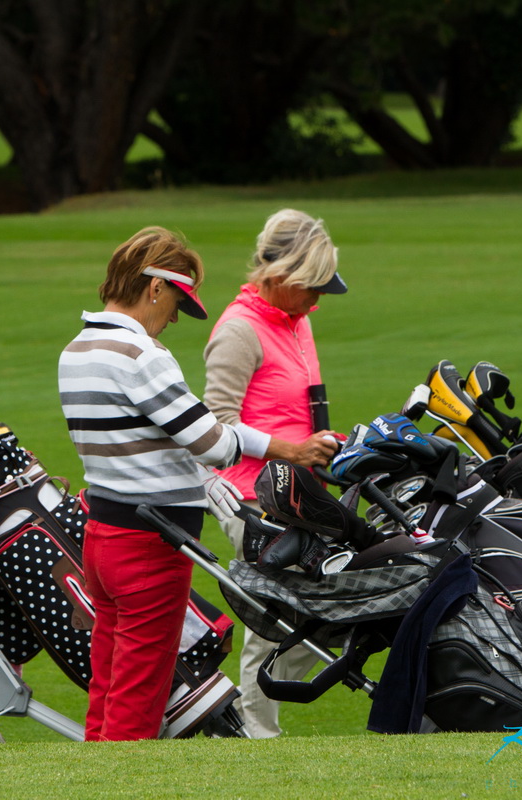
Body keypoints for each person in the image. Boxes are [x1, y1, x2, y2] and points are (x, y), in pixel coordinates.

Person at [58, 226, 255, 742]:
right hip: (151, 542)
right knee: (138, 698)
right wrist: (275, 445)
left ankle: (93, 776)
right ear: (155, 287)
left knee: (107, 684)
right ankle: (121, 781)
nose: (174, 318)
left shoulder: (76, 349)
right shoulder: (142, 354)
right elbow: (213, 443)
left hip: (102, 536)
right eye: (176, 302)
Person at [203, 208, 349, 738]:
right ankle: (257, 735)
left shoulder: (296, 320)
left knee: (334, 600)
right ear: (282, 275)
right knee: (273, 618)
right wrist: (293, 450)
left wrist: (324, 446)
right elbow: (215, 428)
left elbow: (293, 409)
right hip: (249, 496)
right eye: (313, 287)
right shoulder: (239, 331)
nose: (318, 300)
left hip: (298, 490)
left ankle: (252, 720)